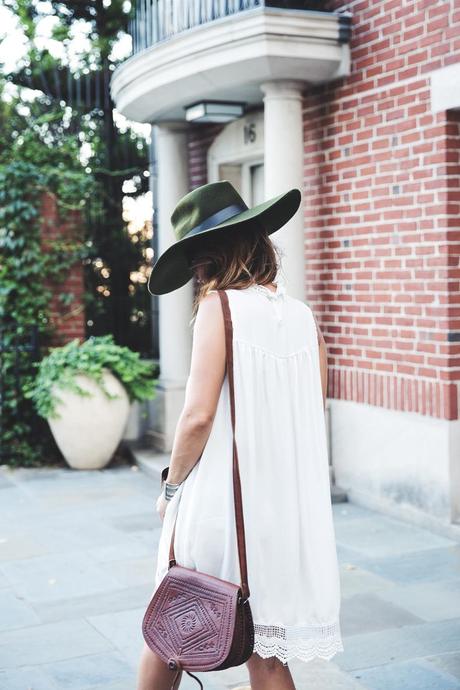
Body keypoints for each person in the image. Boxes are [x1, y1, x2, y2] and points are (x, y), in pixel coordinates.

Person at [137, 180, 343, 690]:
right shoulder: (303, 317)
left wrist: (170, 488)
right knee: (267, 653)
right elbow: (309, 412)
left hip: (222, 505)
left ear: (208, 258)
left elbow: (197, 417)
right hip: (281, 509)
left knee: (172, 628)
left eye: (194, 263)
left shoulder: (219, 308)